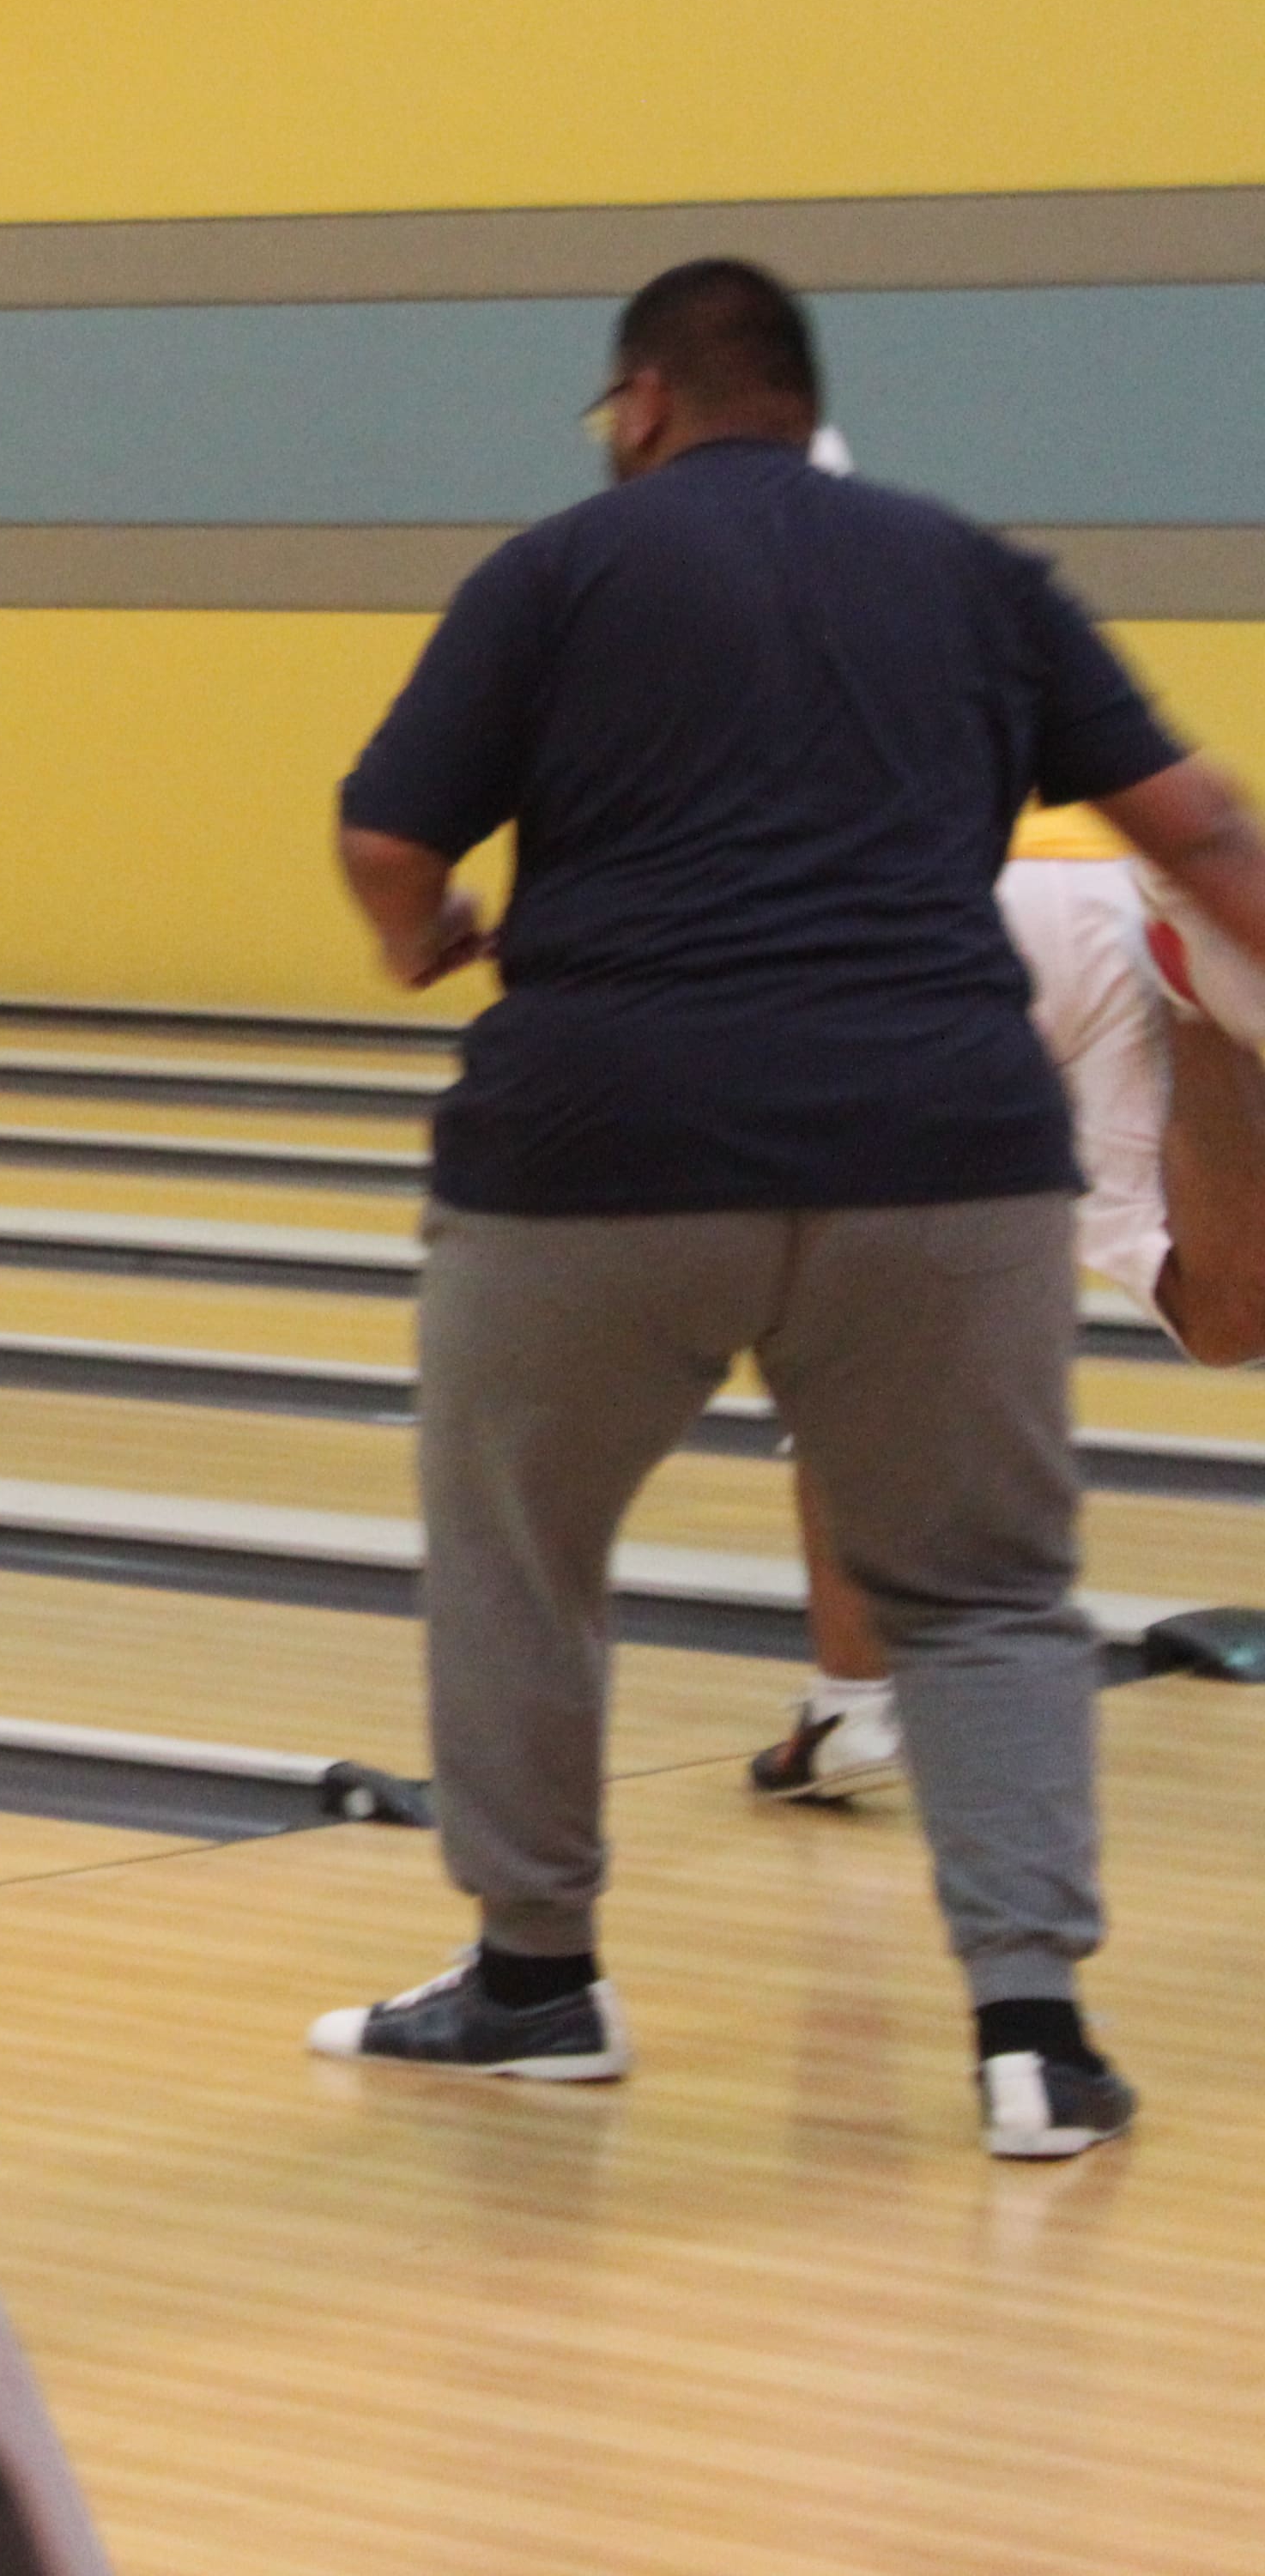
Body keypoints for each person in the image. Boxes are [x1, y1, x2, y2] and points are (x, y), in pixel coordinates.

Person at [313, 257, 1265, 2161]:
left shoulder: (555, 571)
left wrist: (426, 936)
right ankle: (1033, 2041)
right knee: (984, 1593)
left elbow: (386, 832)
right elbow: (1205, 832)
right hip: (940, 1146)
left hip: (602, 1146)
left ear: (643, 401)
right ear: (801, 402)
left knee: (520, 1556)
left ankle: (534, 1986)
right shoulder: (975, 571)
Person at [755, 807, 1265, 1800]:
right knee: (1225, 1315)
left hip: (913, 904)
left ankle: (852, 1710)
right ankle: (1196, 998)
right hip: (1115, 891)